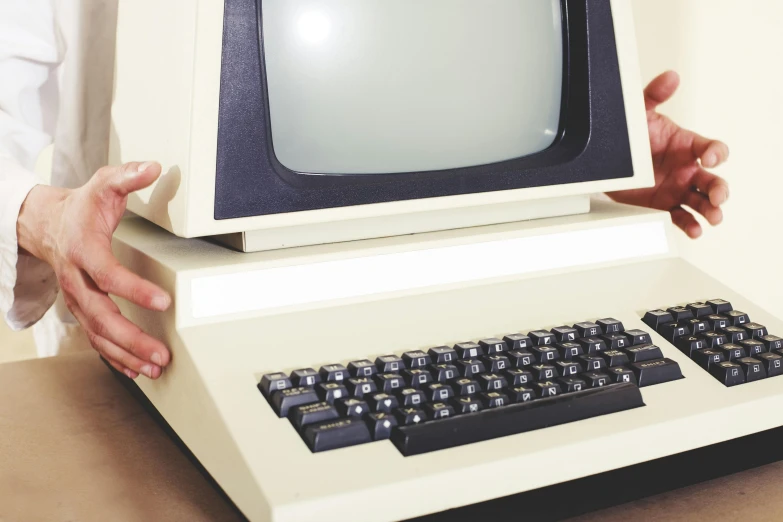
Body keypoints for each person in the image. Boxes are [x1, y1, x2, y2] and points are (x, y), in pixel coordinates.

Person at [1, 1, 730, 381]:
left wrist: (603, 147)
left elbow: (428, 59)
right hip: (149, 332)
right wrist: (42, 216)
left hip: (442, 321)